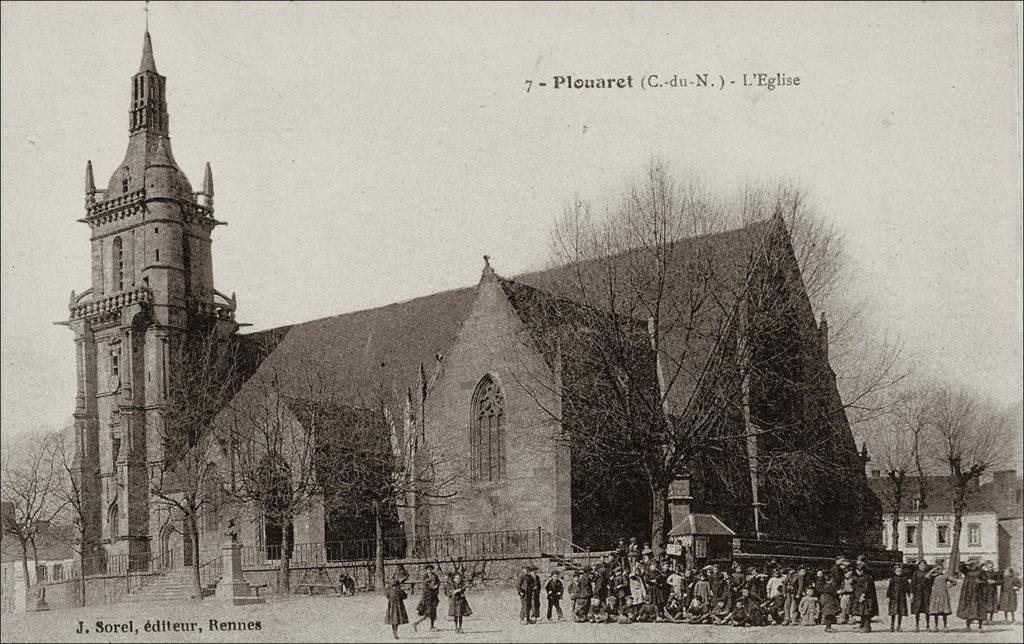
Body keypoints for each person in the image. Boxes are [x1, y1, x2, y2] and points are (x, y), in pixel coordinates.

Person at [412, 564, 441, 632]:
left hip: (434, 596)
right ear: (426, 570)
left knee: (433, 612)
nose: (430, 570)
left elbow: (439, 581)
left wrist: (437, 586)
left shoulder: (435, 575)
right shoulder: (425, 577)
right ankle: (416, 623)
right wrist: (431, 586)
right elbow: (424, 585)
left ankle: (432, 626)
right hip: (427, 596)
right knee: (428, 612)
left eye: (431, 569)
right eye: (428, 569)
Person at [958, 560, 985, 630]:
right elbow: (960, 567)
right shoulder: (967, 571)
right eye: (972, 564)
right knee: (968, 608)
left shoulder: (980, 571)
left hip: (977, 592)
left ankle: (980, 626)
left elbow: (985, 580)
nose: (973, 566)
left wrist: (980, 582)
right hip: (968, 592)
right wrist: (966, 563)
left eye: (974, 564)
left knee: (978, 607)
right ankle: (968, 626)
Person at [852, 561, 878, 632]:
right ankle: (862, 625)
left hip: (866, 597)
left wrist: (863, 595)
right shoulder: (860, 577)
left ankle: (867, 626)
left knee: (866, 612)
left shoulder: (866, 577)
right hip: (860, 596)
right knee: (862, 611)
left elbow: (867, 587)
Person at [928, 563, 956, 631]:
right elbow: (927, 576)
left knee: (944, 612)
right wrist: (933, 570)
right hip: (935, 595)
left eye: (940, 569)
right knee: (936, 612)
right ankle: (936, 626)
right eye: (938, 569)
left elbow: (954, 581)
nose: (939, 570)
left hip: (943, 595)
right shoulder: (933, 576)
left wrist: (948, 587)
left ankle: (945, 626)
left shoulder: (945, 576)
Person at [910, 560, 933, 631]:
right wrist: (911, 593)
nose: (923, 566)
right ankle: (917, 626)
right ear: (919, 565)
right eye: (921, 565)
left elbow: (931, 584)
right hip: (917, 593)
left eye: (924, 565)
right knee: (917, 610)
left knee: (927, 610)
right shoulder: (915, 573)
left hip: (926, 593)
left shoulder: (928, 573)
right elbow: (912, 584)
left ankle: (928, 626)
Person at [887, 564, 910, 631]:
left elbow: (907, 587)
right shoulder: (893, 579)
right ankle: (892, 626)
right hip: (894, 597)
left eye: (900, 571)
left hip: (901, 597)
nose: (899, 572)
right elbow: (889, 588)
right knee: (893, 612)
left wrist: (909, 594)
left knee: (900, 611)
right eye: (898, 571)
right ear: (894, 571)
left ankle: (899, 626)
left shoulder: (904, 578)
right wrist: (888, 596)